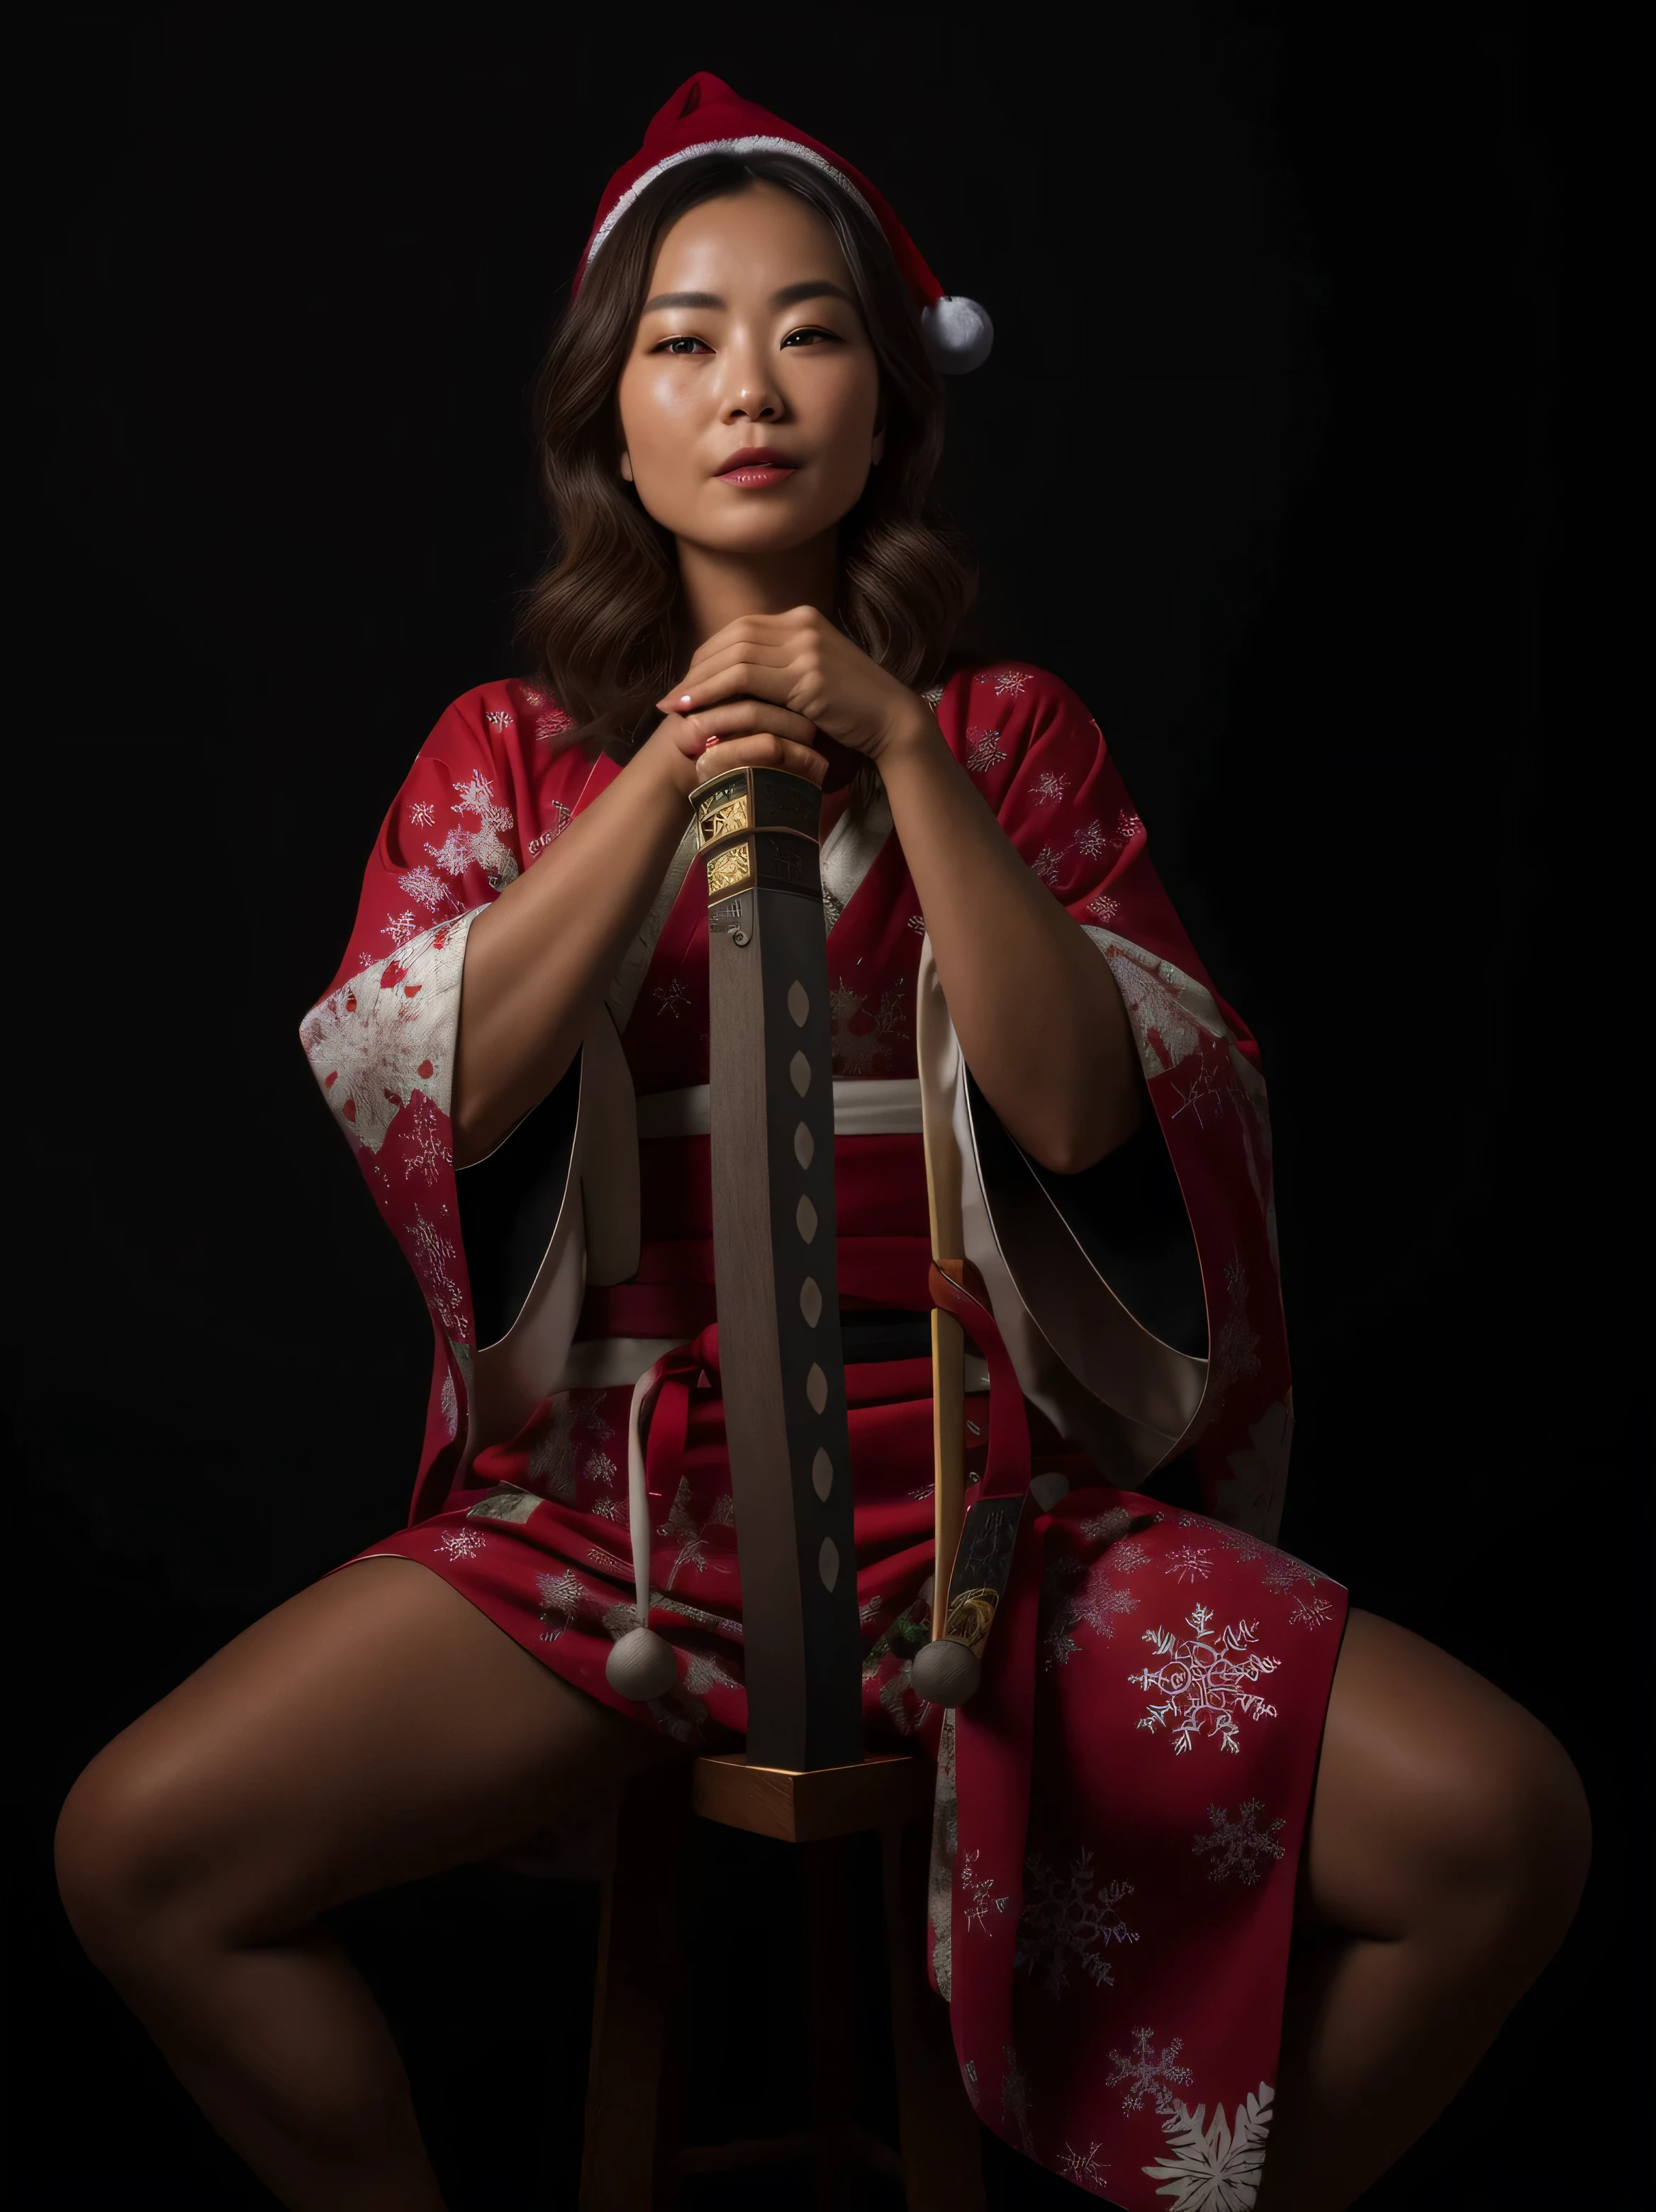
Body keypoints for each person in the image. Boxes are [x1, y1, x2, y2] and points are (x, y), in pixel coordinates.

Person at [54, 72, 1588, 2212]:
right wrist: (676, 771)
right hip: (609, 1527)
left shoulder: (1011, 736)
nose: (748, 384)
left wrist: (895, 746)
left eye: (811, 329)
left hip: (966, 1520)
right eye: (683, 337)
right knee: (141, 1853)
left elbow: (1081, 1113)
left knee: (1505, 1826)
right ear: (612, 419)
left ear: (889, 403)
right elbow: (450, 1085)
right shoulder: (508, 754)